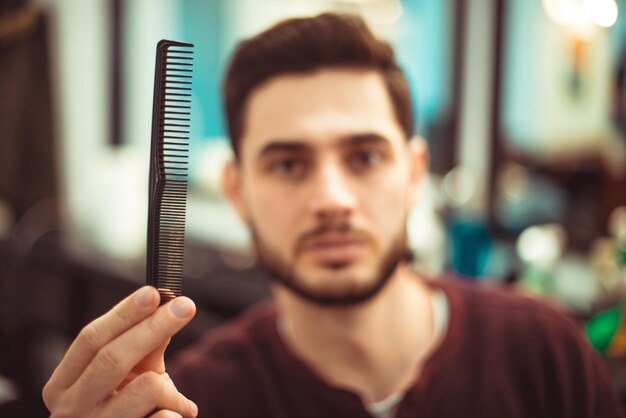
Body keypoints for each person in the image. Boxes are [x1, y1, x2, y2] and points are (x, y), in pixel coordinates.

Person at [42, 13, 624, 418]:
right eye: (289, 164)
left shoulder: (546, 354)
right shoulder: (186, 400)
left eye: (365, 157)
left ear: (415, 172)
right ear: (237, 191)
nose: (333, 199)